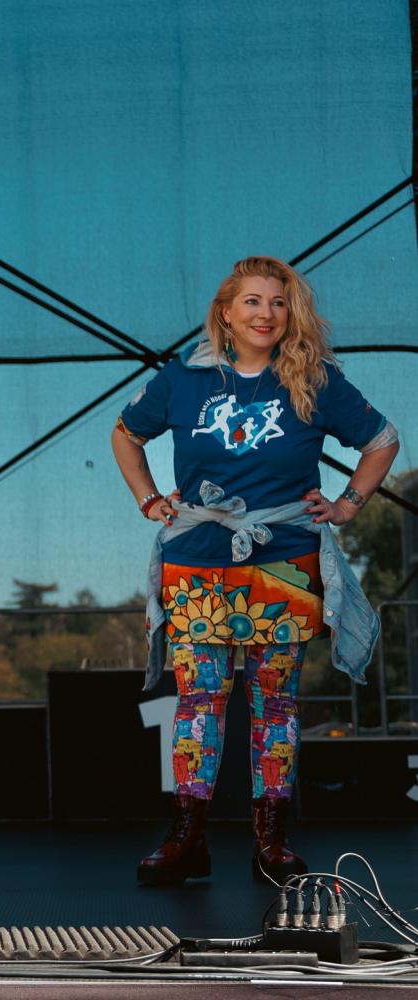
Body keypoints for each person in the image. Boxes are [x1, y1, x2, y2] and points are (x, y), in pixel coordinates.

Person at [111, 256, 398, 886]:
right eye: (252, 301)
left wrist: (349, 503)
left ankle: (272, 839)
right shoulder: (182, 379)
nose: (266, 313)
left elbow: (382, 440)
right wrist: (148, 498)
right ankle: (187, 837)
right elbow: (125, 434)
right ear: (225, 312)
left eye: (278, 301)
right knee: (200, 697)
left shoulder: (314, 379)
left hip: (283, 560)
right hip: (197, 559)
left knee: (275, 701)